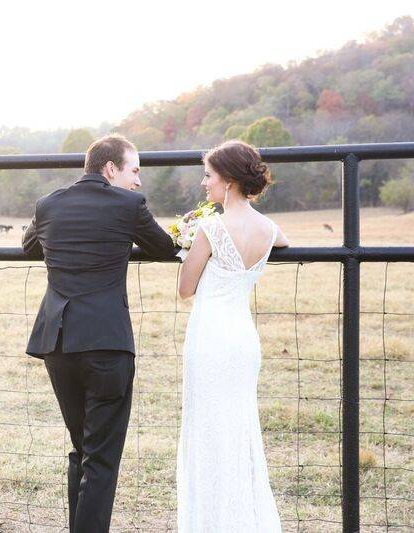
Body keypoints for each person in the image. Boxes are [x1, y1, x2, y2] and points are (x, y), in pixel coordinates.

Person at [22, 134, 177, 532]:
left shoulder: (49, 204)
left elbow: (29, 247)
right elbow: (162, 247)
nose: (138, 181)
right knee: (102, 459)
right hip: (107, 344)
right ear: (111, 169)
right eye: (134, 170)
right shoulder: (128, 206)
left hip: (58, 344)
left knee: (83, 449)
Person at [175, 139, 289, 532]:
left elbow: (185, 288)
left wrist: (191, 246)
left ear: (228, 181)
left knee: (207, 431)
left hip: (209, 338)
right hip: (242, 339)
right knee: (239, 428)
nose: (205, 183)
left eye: (209, 176)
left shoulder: (211, 227)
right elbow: (282, 242)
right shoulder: (270, 229)